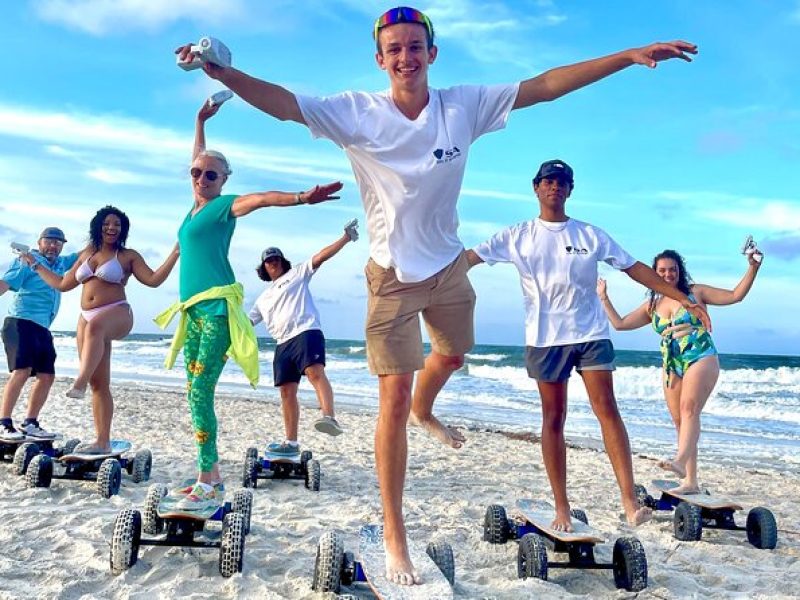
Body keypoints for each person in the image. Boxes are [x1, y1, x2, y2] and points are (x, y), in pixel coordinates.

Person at [177, 7, 698, 582]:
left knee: (452, 355)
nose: (406, 56)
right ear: (381, 59)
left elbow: (545, 86)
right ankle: (397, 533)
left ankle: (429, 408)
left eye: (416, 46)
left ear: (432, 52)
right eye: (395, 48)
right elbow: (282, 103)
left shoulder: (462, 106)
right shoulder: (357, 113)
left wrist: (625, 57)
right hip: (392, 277)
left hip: (449, 270)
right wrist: (224, 74)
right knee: (392, 403)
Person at [467, 159, 712, 531]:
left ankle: (630, 501)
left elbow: (634, 268)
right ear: (536, 188)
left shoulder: (589, 235)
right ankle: (562, 508)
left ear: (570, 190)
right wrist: (425, 282)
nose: (555, 187)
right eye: (548, 181)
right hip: (545, 339)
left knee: (607, 408)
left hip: (591, 334)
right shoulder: (517, 235)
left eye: (562, 182)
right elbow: (467, 259)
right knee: (553, 418)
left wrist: (682, 297)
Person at [153, 98, 343, 511]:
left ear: (223, 181)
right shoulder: (193, 208)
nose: (202, 178)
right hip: (193, 315)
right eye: (197, 173)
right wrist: (199, 119)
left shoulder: (223, 206)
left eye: (211, 175)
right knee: (192, 393)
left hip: (218, 311)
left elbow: (259, 198)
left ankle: (213, 478)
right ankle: (207, 474)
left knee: (201, 391)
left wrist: (300, 198)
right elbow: (197, 157)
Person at [597, 248, 762, 494]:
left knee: (689, 409)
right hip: (672, 364)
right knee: (679, 421)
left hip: (701, 356)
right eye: (661, 270)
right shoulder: (652, 305)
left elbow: (736, 295)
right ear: (654, 274)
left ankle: (680, 461)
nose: (667, 274)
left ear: (679, 271)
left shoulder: (695, 292)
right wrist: (603, 297)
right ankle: (690, 481)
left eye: (672, 269)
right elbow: (620, 324)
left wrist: (753, 267)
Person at [24, 207, 180, 453]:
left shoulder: (127, 256)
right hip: (86, 317)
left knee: (95, 330)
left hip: (118, 312)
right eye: (107, 223)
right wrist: (35, 265)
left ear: (123, 230)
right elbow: (63, 284)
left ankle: (80, 381)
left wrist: (175, 252)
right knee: (100, 384)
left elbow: (153, 280)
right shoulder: (87, 253)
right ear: (98, 226)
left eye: (117, 225)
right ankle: (102, 441)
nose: (111, 228)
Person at [248, 220, 359, 454]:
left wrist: (345, 238)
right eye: (269, 261)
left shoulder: (297, 273)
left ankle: (329, 417)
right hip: (282, 344)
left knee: (314, 372)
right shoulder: (262, 299)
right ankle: (291, 442)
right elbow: (246, 324)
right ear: (264, 268)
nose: (273, 263)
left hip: (306, 332)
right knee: (286, 391)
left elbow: (320, 257)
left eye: (276, 259)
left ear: (282, 261)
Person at [0, 227, 79, 441]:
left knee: (46, 376)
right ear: (39, 242)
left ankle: (30, 423)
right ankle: (4, 422)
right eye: (49, 241)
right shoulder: (27, 260)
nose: (53, 245)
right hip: (20, 322)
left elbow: (86, 253)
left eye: (58, 242)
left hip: (42, 328)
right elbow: (5, 283)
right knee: (22, 371)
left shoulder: (62, 263)